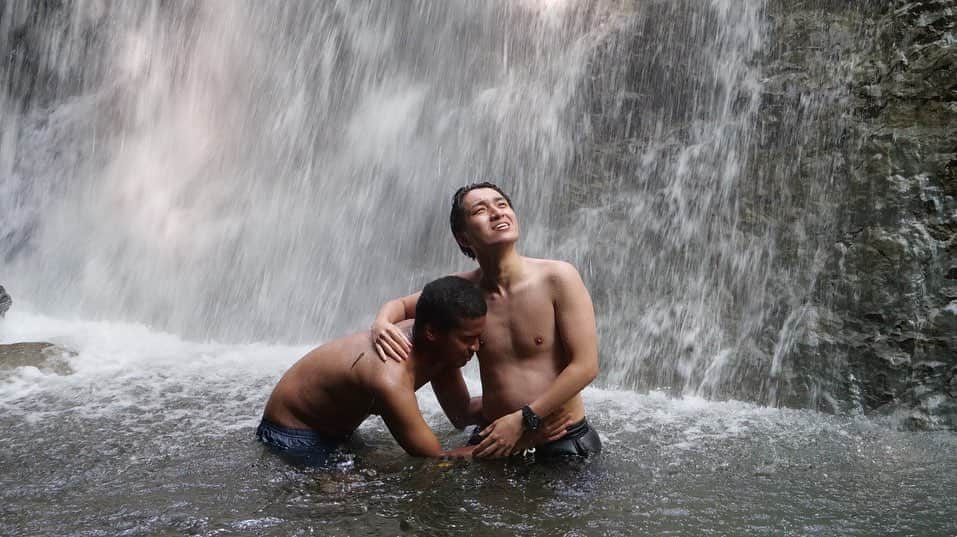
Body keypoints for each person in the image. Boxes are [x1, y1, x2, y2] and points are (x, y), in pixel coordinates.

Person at [371, 182, 601, 459]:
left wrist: (523, 419)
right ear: (463, 237)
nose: (496, 213)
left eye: (502, 205)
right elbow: (400, 306)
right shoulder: (461, 292)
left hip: (559, 438)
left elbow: (586, 366)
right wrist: (382, 323)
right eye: (481, 209)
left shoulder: (558, 278)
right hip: (496, 440)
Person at [258, 276, 488, 465]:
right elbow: (433, 457)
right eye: (468, 339)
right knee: (348, 497)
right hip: (292, 432)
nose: (476, 348)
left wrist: (518, 415)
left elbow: (461, 414)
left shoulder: (440, 348)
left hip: (334, 428)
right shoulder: (390, 377)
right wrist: (496, 446)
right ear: (431, 332)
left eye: (479, 337)